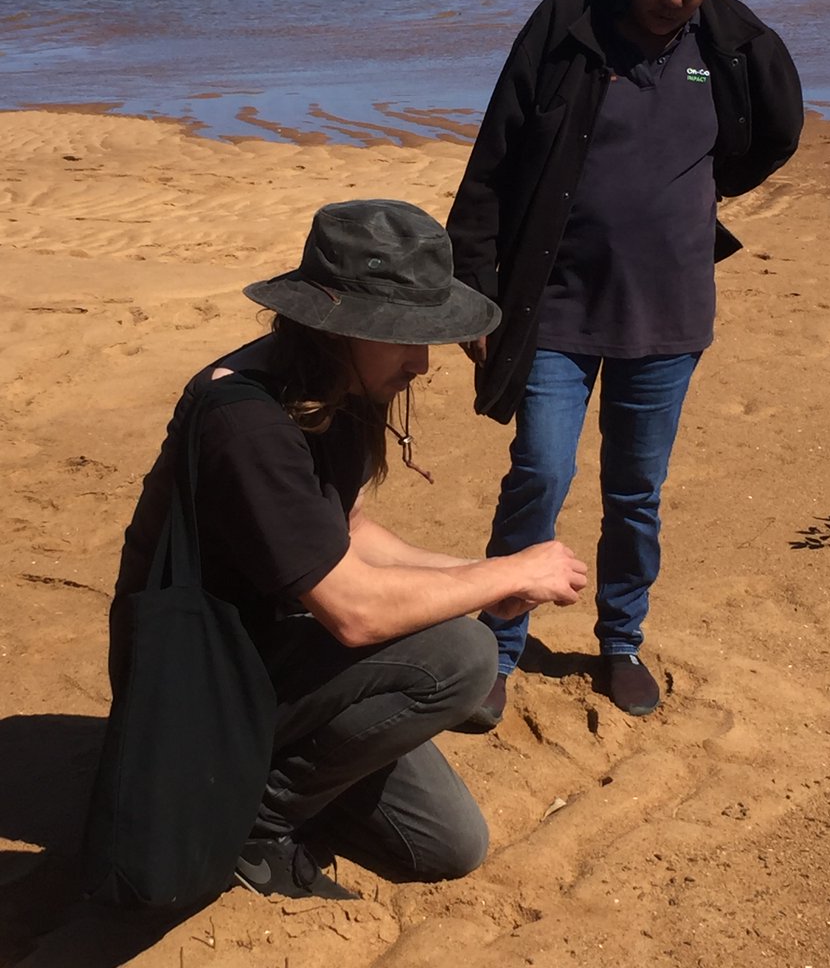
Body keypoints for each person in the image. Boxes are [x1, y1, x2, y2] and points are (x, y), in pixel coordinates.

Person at [109, 198, 588, 901]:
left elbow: (351, 532)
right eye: (403, 336)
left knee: (448, 844)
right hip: (204, 681)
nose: (422, 363)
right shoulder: (246, 421)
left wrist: (478, 574)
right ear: (338, 329)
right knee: (461, 656)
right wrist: (500, 576)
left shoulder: (329, 389)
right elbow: (352, 612)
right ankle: (255, 818)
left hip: (277, 649)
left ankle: (284, 766)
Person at [446, 0, 803, 729]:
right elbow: (494, 158)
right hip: (553, 308)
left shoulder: (731, 41)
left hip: (668, 311)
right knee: (541, 471)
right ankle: (499, 647)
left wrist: (690, 198)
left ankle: (621, 642)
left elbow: (776, 132)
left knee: (636, 490)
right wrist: (476, 292)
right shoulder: (566, 20)